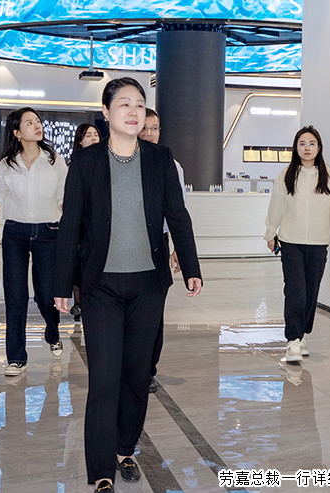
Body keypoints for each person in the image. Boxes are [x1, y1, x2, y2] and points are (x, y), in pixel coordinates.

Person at [52, 77, 203, 492]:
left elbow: (177, 214)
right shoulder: (86, 162)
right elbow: (70, 223)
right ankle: (101, 469)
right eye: (124, 104)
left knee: (137, 376)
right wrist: (62, 284)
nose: (133, 111)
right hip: (100, 286)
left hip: (148, 285)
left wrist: (191, 265)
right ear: (105, 113)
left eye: (139, 103)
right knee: (104, 379)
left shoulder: (160, 158)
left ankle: (124, 447)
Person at [0, 107, 67, 379]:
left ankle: (52, 330)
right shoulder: (7, 165)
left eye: (38, 121)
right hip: (15, 233)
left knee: (46, 295)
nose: (37, 125)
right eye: (30, 123)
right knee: (15, 296)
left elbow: (63, 197)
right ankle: (16, 357)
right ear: (17, 132)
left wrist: (71, 228)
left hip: (48, 232)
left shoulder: (55, 161)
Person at [264, 125, 330, 363]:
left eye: (311, 144)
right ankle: (293, 340)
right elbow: (276, 206)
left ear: (319, 148)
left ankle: (301, 336)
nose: (307, 148)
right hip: (291, 243)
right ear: (296, 148)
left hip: (319, 243)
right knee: (295, 291)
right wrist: (270, 233)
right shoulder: (286, 175)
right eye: (302, 144)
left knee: (310, 292)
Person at [137, 107, 187, 393]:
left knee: (154, 313)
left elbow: (179, 211)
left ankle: (148, 371)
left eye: (154, 128)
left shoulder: (172, 165)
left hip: (159, 241)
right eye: (144, 128)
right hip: (126, 244)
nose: (149, 133)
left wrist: (179, 247)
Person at [68, 123, 102, 321]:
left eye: (96, 134)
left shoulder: (106, 164)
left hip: (99, 228)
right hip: (80, 228)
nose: (94, 138)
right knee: (79, 268)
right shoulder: (74, 165)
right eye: (88, 135)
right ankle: (79, 303)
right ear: (80, 141)